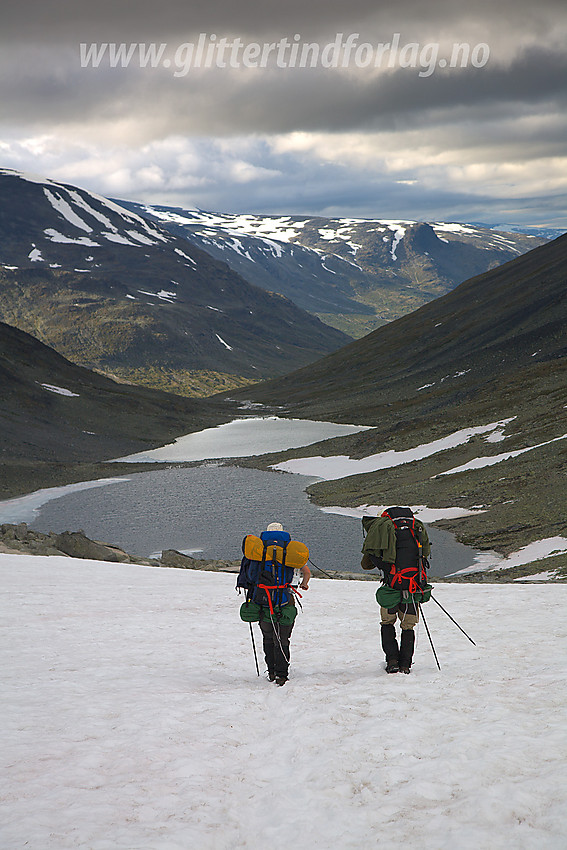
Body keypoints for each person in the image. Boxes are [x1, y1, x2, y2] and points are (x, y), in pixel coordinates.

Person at [237, 521, 310, 686]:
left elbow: (248, 576)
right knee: (283, 639)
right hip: (284, 600)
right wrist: (304, 584)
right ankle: (282, 675)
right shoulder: (290, 552)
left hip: (262, 600)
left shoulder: (257, 552)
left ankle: (271, 672)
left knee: (268, 637)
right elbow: (306, 571)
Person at [361, 507, 432, 674]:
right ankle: (405, 665)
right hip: (413, 586)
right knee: (408, 626)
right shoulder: (416, 528)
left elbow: (366, 564)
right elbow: (425, 554)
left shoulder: (382, 530)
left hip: (391, 586)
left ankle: (392, 661)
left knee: (387, 622)